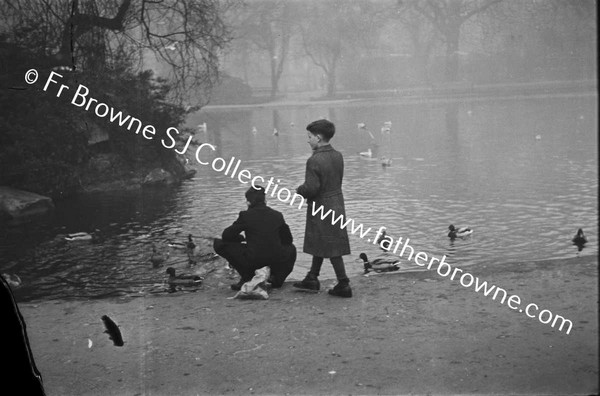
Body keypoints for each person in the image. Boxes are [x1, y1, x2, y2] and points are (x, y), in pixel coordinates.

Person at [293, 119, 352, 298]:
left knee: (330, 245)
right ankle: (312, 277)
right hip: (337, 203)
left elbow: (312, 188)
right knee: (324, 241)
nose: (308, 140)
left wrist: (299, 190)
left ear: (318, 138)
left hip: (321, 207)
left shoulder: (314, 160)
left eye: (309, 137)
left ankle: (343, 283)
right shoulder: (338, 155)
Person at [213, 186, 296, 290]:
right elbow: (288, 240)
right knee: (291, 248)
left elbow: (226, 235)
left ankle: (246, 277)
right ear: (265, 200)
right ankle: (277, 278)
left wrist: (239, 238)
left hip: (253, 259)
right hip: (275, 259)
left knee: (219, 244)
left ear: (249, 202)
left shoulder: (246, 216)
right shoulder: (277, 215)